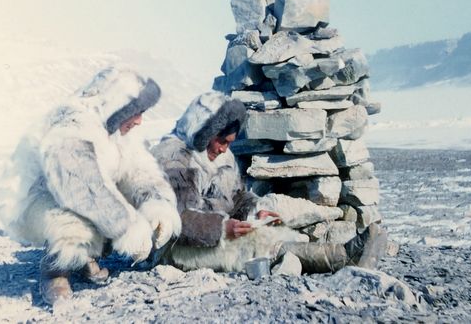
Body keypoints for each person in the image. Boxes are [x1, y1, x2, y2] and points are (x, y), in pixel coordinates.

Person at [0, 67, 181, 305]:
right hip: (38, 199)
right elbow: (80, 188)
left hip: (75, 194)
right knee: (81, 217)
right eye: (136, 112)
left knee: (114, 200)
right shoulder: (72, 123)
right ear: (118, 105)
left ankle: (83, 258)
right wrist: (128, 228)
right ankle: (55, 269)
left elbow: (140, 172)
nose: (139, 121)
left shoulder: (117, 130)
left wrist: (157, 207)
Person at [150, 91, 384, 274]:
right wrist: (221, 228)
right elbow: (174, 219)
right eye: (220, 140)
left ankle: (336, 254)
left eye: (229, 143)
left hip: (209, 236)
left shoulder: (221, 156)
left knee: (270, 231)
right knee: (256, 244)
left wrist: (255, 212)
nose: (223, 148)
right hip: (176, 248)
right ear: (201, 130)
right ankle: (342, 257)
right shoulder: (174, 157)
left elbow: (237, 196)